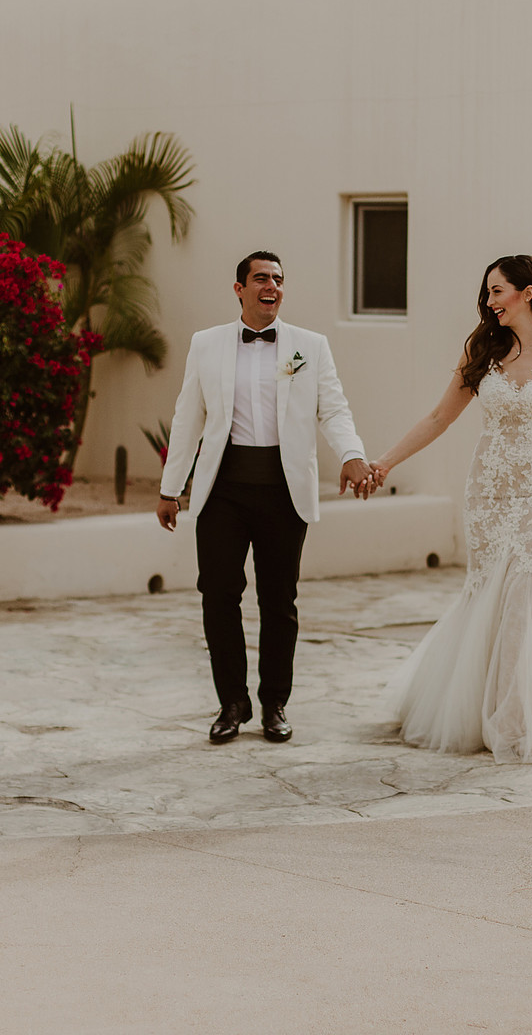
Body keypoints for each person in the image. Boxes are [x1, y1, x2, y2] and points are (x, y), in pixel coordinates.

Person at [367, 254, 532, 762]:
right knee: (486, 591)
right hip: (489, 490)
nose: (489, 303)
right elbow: (439, 417)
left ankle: (513, 720)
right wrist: (384, 463)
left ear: (528, 293)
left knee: (524, 597)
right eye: (487, 293)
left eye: (498, 291)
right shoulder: (483, 350)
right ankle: (471, 707)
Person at [156, 252, 375, 744]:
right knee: (218, 595)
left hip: (283, 490)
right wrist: (172, 489)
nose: (271, 285)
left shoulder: (309, 346)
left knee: (279, 602)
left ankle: (275, 702)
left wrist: (352, 454)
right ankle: (231, 702)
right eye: (261, 278)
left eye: (278, 279)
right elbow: (187, 417)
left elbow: (333, 409)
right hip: (222, 491)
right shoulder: (206, 344)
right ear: (239, 288)